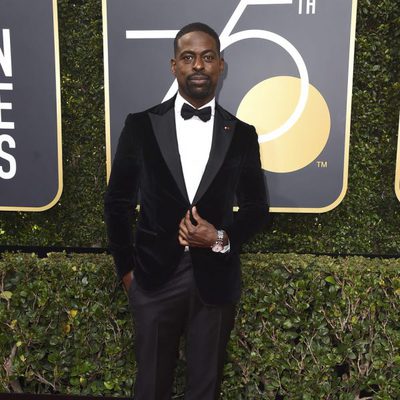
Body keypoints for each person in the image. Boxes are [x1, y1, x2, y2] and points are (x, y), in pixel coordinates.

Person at [104, 22, 269, 400]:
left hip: (215, 279)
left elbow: (258, 208)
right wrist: (127, 272)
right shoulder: (140, 126)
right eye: (189, 57)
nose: (199, 65)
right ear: (174, 66)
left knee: (204, 389)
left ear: (220, 66)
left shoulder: (241, 133)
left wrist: (220, 238)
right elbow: (117, 203)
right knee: (150, 387)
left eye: (208, 57)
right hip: (152, 278)